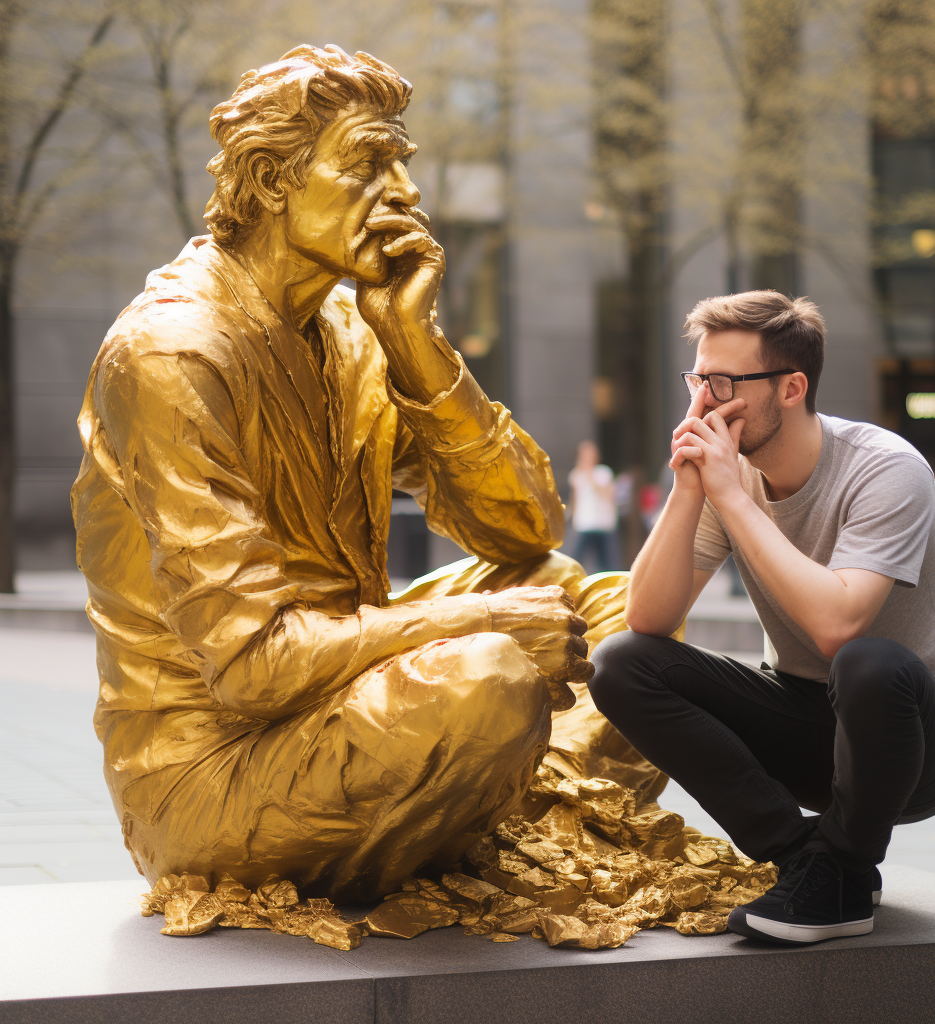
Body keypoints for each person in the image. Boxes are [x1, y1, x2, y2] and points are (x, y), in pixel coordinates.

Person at [71, 46, 655, 902]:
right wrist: (482, 619)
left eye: (399, 163)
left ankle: (478, 806)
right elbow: (254, 667)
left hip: (340, 695)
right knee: (490, 676)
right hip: (215, 767)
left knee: (621, 615)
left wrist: (417, 348)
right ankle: (492, 810)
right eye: (368, 163)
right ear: (273, 180)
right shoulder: (169, 356)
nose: (407, 195)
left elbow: (529, 531)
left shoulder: (353, 332)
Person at [588, 290, 935, 945]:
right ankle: (810, 862)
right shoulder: (721, 476)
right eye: (698, 379)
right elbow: (649, 617)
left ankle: (845, 868)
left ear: (791, 387)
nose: (706, 401)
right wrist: (689, 489)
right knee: (621, 662)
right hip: (806, 718)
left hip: (914, 742)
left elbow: (837, 626)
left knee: (867, 661)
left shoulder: (885, 469)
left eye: (724, 382)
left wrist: (732, 498)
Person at [569, 440, 618, 572]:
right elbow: (575, 498)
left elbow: (608, 495)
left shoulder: (604, 473)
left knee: (606, 562)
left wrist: (589, 474)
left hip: (602, 524)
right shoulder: (576, 474)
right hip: (584, 523)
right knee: (576, 559)